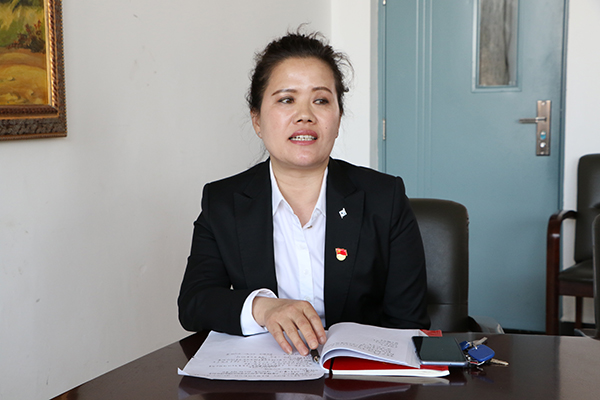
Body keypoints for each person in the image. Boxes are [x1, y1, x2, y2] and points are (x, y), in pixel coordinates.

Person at [178, 30, 429, 358]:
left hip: (359, 375)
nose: (305, 115)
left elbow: (408, 323)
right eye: (286, 99)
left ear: (338, 119)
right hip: (263, 373)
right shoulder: (224, 202)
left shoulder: (385, 198)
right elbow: (194, 303)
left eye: (321, 100)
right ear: (257, 119)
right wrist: (264, 308)